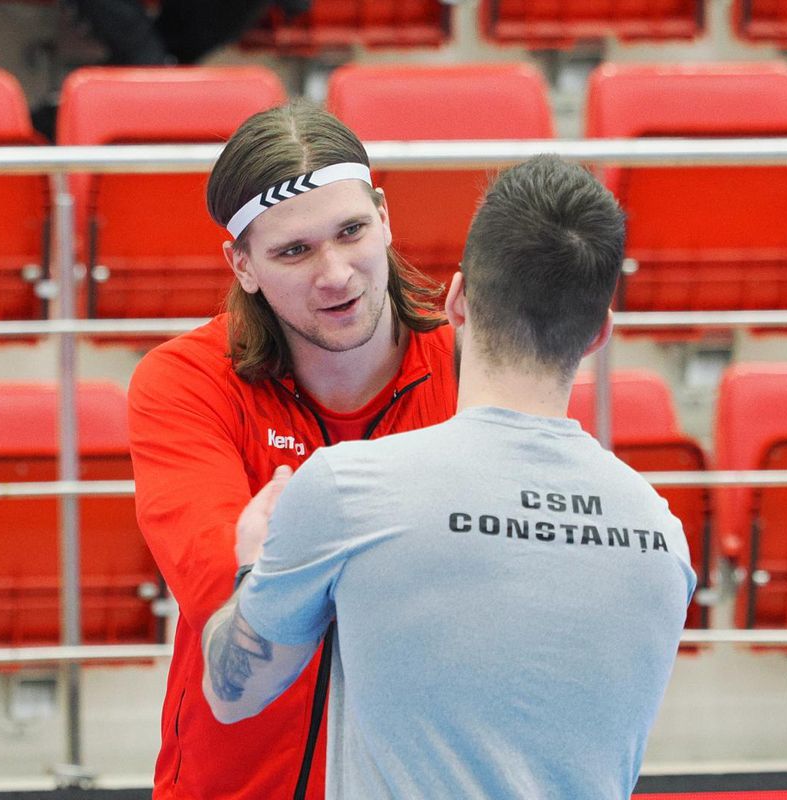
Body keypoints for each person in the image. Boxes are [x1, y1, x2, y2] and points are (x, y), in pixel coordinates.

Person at [202, 154, 697, 798]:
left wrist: (252, 567)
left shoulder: (351, 489)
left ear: (457, 299)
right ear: (600, 332)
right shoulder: (662, 537)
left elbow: (232, 693)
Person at [127, 101, 457, 799]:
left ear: (384, 216)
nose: (335, 273)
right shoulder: (185, 383)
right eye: (294, 251)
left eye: (350, 231)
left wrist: (290, 559)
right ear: (242, 264)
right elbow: (229, 608)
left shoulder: (471, 367)